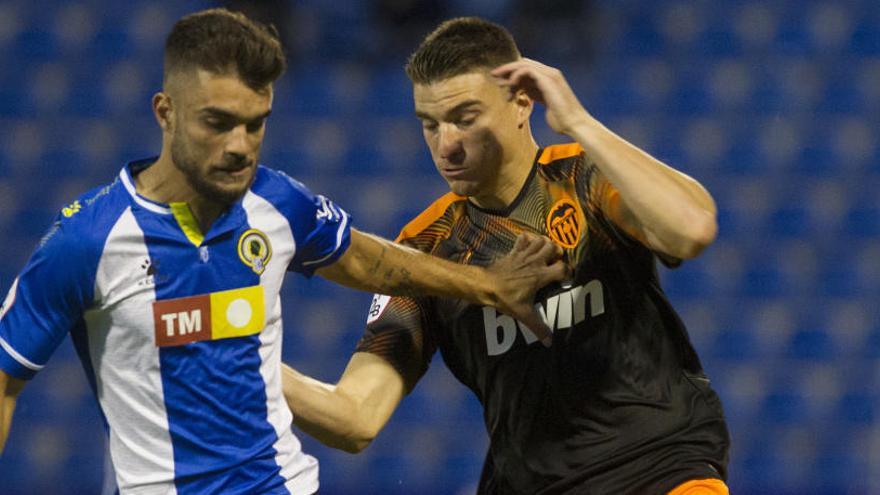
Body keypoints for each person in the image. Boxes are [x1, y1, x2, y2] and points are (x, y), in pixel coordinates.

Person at [0, 10, 567, 495]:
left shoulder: (276, 202)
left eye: (255, 124)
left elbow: (369, 261)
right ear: (165, 112)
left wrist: (488, 285)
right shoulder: (86, 240)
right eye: (217, 124)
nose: (239, 146)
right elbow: (5, 381)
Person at [281, 16, 731, 495]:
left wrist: (578, 122)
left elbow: (692, 229)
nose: (446, 145)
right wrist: (245, 357)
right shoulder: (424, 249)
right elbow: (356, 418)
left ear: (522, 103)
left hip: (660, 469)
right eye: (430, 125)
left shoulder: (585, 179)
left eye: (465, 118)